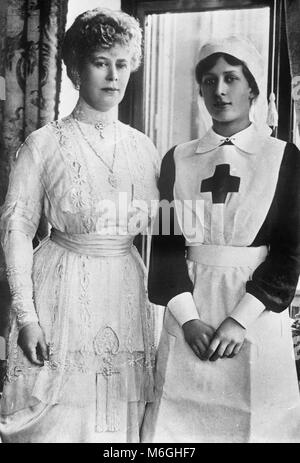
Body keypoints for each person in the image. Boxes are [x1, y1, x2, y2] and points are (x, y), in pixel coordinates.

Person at [0, 8, 159, 443]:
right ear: (73, 69)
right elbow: (16, 229)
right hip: (61, 291)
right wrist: (26, 315)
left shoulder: (144, 148)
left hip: (127, 292)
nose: (113, 75)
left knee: (116, 422)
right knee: (60, 422)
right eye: (100, 62)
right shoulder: (44, 143)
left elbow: (163, 236)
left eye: (122, 63)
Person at [141, 36, 300, 443]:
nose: (221, 90)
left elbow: (291, 251)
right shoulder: (177, 158)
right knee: (176, 429)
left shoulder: (283, 157)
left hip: (255, 316)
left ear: (252, 88)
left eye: (232, 78)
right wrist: (189, 319)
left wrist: (238, 320)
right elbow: (164, 244)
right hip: (188, 312)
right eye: (209, 81)